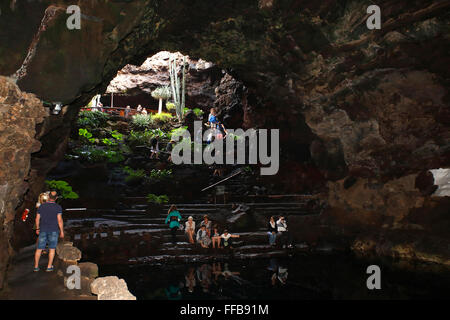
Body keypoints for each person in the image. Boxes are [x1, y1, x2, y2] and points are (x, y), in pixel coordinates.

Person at [34, 191, 64, 272]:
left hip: (43, 229)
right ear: (56, 198)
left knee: (39, 248)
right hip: (54, 230)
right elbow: (59, 220)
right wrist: (62, 231)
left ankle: (36, 266)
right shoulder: (58, 207)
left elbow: (37, 219)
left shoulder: (42, 207)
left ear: (48, 197)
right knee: (52, 249)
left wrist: (37, 228)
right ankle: (49, 266)